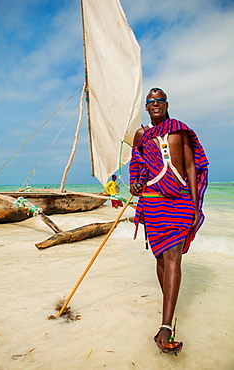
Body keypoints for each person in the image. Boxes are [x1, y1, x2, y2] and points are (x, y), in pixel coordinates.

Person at [129, 87, 209, 355]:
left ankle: (166, 325)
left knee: (173, 257)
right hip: (152, 202)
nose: (155, 104)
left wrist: (196, 204)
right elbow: (137, 164)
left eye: (159, 100)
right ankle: (170, 305)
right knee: (161, 259)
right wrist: (134, 185)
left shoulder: (179, 130)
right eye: (150, 101)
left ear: (166, 104)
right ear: (146, 106)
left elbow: (191, 167)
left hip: (179, 201)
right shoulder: (141, 135)